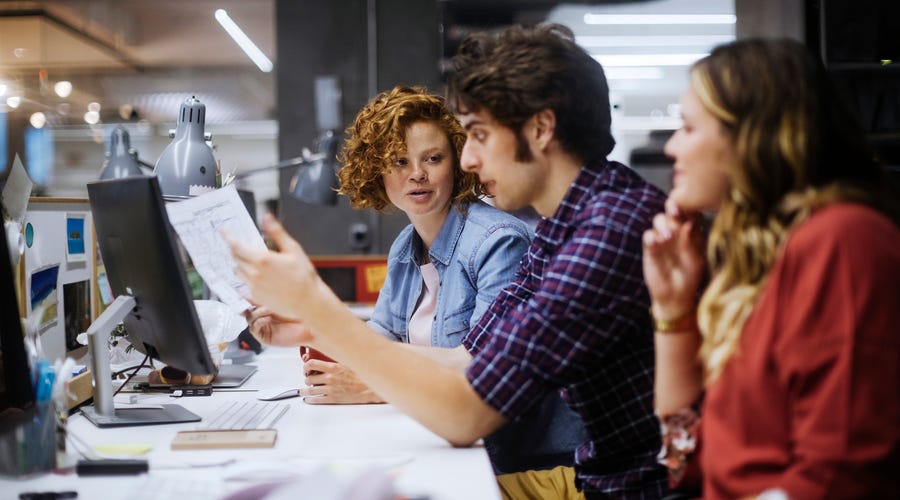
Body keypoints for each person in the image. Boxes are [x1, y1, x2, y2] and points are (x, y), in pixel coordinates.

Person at [229, 23, 669, 499]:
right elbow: (468, 361)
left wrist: (320, 308)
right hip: (593, 477)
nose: (468, 161)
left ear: (541, 129)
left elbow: (466, 415)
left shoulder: (605, 231)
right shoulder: (564, 225)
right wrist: (317, 328)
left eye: (478, 135)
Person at [643, 38, 900, 499]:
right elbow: (688, 464)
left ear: (751, 136)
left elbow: (837, 478)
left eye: (686, 127)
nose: (671, 148)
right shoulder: (766, 255)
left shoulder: (844, 240)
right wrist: (672, 310)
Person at [248, 86, 532, 405]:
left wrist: (376, 387)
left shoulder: (498, 242)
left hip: (493, 445)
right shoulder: (404, 248)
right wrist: (308, 322)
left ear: (457, 162)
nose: (417, 174)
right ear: (377, 171)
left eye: (433, 159)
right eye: (399, 161)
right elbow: (380, 339)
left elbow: (485, 369)